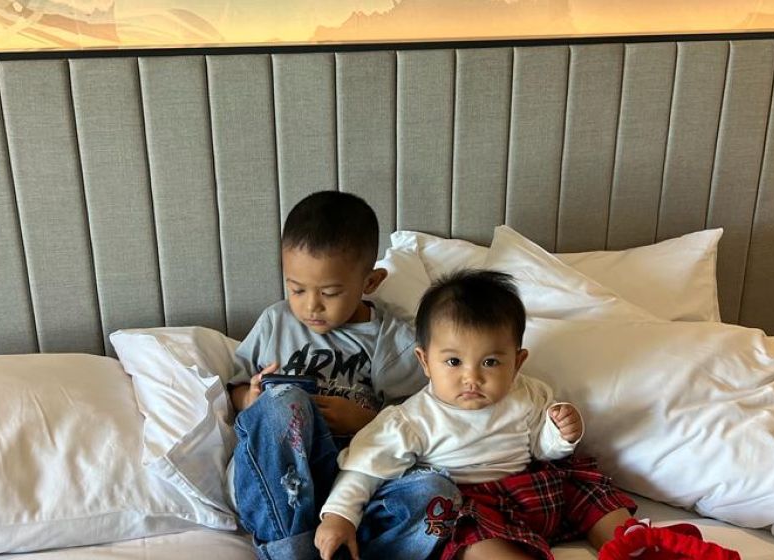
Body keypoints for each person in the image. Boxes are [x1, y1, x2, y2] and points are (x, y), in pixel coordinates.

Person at [315, 270, 724, 560]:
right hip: (472, 503)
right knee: (468, 538)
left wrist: (559, 434)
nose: (472, 377)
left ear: (518, 361)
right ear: (424, 361)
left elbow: (542, 449)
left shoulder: (528, 394)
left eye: (491, 362)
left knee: (583, 485)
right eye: (453, 361)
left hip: (534, 487)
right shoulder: (410, 419)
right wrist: (339, 517)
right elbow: (364, 469)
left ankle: (632, 544)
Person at [226, 190, 460, 560]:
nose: (310, 305)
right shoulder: (276, 321)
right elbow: (234, 389)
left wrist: (367, 420)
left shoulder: (397, 340)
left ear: (370, 283)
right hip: (281, 481)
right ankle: (291, 550)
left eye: (330, 293)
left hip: (356, 481)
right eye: (296, 289)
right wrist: (249, 398)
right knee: (282, 402)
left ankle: (346, 550)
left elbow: (422, 422)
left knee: (438, 493)